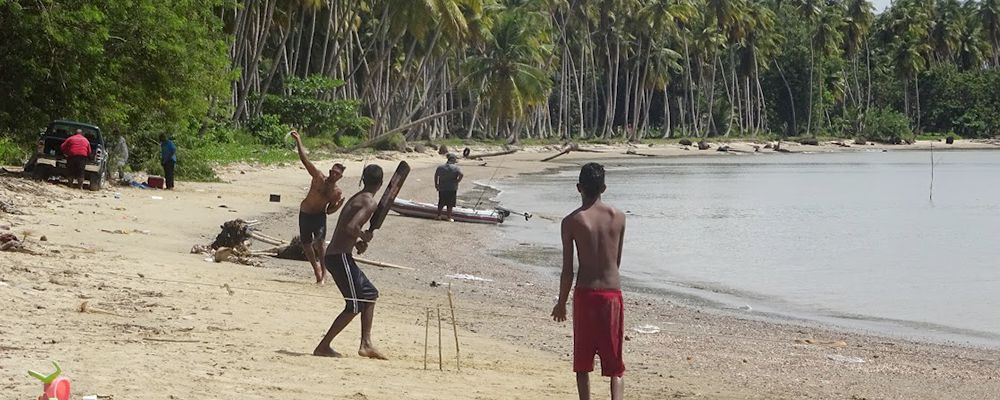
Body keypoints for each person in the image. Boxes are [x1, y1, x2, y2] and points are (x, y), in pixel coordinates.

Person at [551, 162, 626, 400]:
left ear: (578, 188)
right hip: (612, 294)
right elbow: (616, 261)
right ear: (604, 187)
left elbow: (567, 270)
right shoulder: (619, 217)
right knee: (615, 365)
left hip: (585, 294)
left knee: (582, 364)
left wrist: (561, 302)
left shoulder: (572, 221)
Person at [313, 164, 387, 360]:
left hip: (341, 255)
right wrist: (364, 235)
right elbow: (351, 226)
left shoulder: (358, 197)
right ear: (380, 183)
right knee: (354, 305)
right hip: (339, 257)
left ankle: (366, 344)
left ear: (363, 180)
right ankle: (323, 346)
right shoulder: (369, 202)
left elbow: (348, 229)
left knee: (370, 295)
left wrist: (358, 243)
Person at [290, 130, 345, 284]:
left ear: (340, 177)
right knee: (306, 245)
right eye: (333, 172)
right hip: (305, 212)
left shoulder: (336, 192)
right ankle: (316, 271)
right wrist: (299, 140)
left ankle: (324, 273)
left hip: (319, 216)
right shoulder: (318, 177)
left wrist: (339, 206)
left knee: (320, 244)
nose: (334, 175)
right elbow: (305, 160)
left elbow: (329, 210)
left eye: (337, 174)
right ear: (330, 172)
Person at [434, 153, 463, 222]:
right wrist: (457, 181)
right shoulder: (456, 168)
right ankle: (448, 217)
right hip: (452, 188)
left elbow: (436, 175)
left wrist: (436, 184)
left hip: (442, 187)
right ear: (453, 159)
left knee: (441, 202)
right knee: (450, 204)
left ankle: (438, 216)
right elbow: (461, 174)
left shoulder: (440, 167)